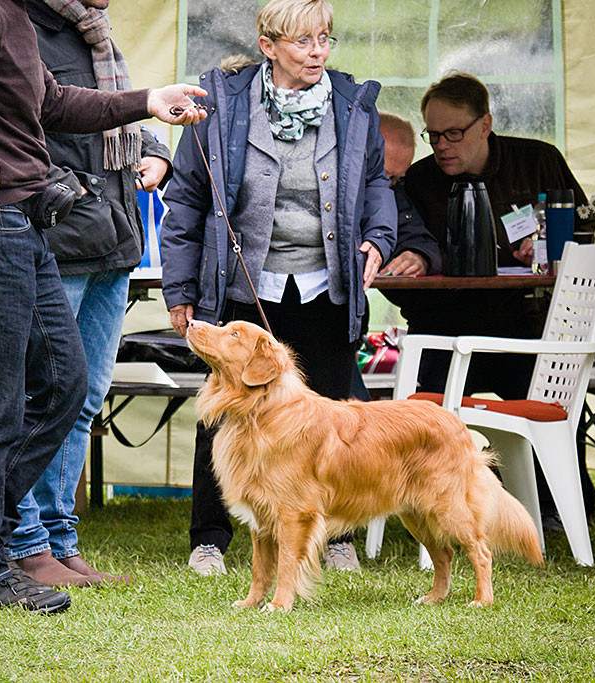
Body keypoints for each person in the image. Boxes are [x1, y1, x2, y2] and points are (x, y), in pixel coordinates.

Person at [0, 0, 206, 612]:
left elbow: (54, 104)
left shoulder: (13, 19)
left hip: (20, 228)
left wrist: (147, 101)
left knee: (66, 385)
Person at [160, 0, 396, 576]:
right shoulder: (220, 107)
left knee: (335, 420)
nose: (316, 52)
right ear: (268, 46)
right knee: (224, 412)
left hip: (326, 284)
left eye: (324, 40)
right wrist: (179, 288)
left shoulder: (353, 108)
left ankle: (336, 533)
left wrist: (378, 238)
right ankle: (209, 538)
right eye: (302, 41)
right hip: (244, 285)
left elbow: (374, 186)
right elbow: (187, 199)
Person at [4, 0, 173, 588]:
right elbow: (11, 130)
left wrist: (152, 150)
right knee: (41, 396)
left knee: (81, 398)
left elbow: (104, 114)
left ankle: (58, 538)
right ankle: (23, 544)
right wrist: (65, 194)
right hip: (60, 238)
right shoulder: (19, 28)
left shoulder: (89, 31)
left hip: (115, 238)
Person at [391, 72, 595, 527]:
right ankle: (430, 506)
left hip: (523, 324)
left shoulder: (537, 160)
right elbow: (407, 238)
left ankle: (559, 504)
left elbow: (584, 226)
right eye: (433, 135)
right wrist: (418, 256)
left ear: (485, 124)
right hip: (446, 328)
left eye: (454, 133)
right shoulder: (419, 180)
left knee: (547, 404)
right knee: (422, 414)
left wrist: (549, 244)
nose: (442, 145)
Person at [377, 113, 441, 278]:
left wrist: (419, 257)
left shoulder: (394, 190)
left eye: (398, 178)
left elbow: (413, 233)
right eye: (386, 175)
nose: (391, 184)